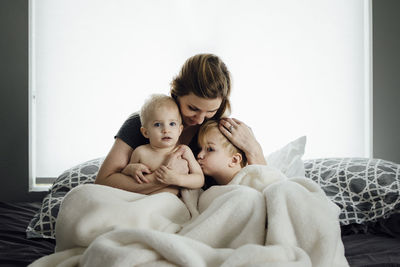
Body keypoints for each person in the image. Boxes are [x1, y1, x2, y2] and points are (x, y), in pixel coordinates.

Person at [95, 53, 266, 193]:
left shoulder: (220, 132)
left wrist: (254, 150)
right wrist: (158, 179)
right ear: (177, 93)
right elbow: (103, 181)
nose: (199, 119)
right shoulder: (142, 122)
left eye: (210, 111)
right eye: (193, 108)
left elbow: (261, 183)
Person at [127, 94, 204, 195]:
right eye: (157, 124)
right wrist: (131, 170)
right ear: (146, 132)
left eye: (172, 124)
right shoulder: (141, 152)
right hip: (144, 200)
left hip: (170, 203)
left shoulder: (183, 151)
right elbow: (126, 175)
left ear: (180, 130)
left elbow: (199, 179)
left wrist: (178, 179)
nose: (166, 130)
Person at [196, 120, 246, 186]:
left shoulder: (250, 185)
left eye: (210, 149)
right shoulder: (210, 192)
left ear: (234, 160)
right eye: (200, 149)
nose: (199, 155)